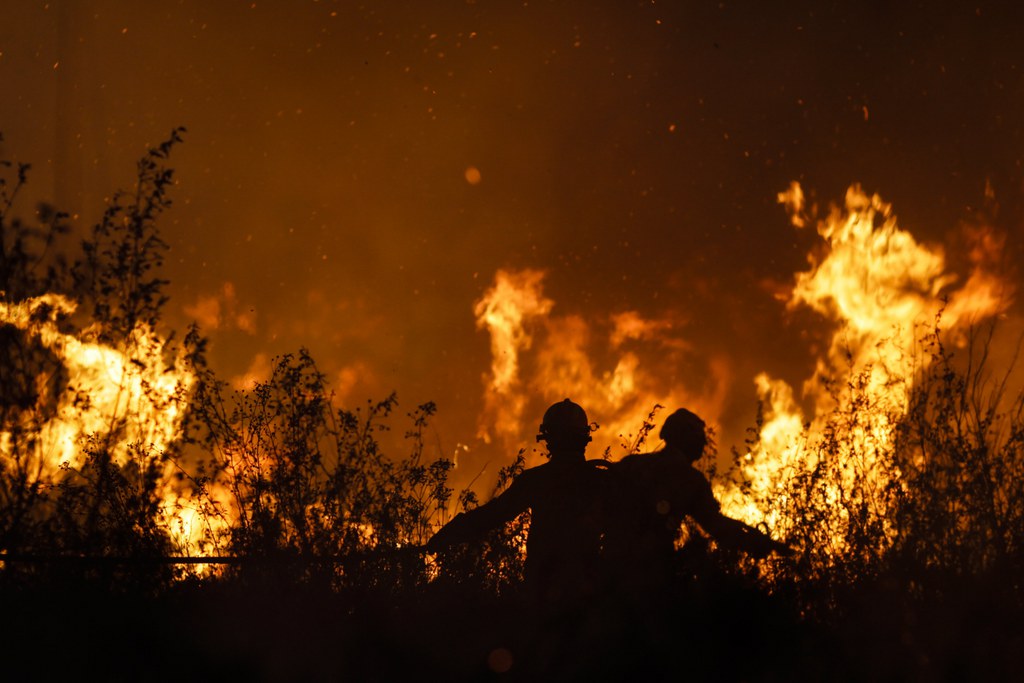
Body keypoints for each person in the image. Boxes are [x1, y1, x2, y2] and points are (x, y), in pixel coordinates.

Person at [427, 399, 612, 607]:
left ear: (548, 439)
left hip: (544, 589)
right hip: (589, 589)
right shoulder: (603, 481)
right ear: (585, 437)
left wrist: (448, 535)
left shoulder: (536, 480)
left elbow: (493, 515)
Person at [609, 408, 792, 592]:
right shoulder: (689, 479)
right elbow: (716, 526)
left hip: (611, 568)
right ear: (686, 438)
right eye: (699, 437)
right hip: (652, 576)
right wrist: (755, 543)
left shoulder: (632, 464)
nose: (704, 444)